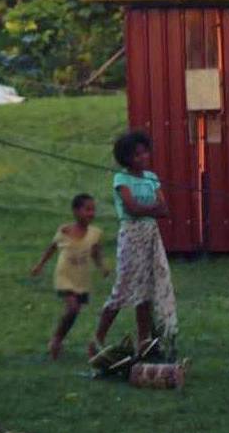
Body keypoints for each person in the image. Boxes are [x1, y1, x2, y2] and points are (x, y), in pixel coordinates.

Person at [90, 129, 176, 360]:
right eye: (136, 154)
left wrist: (146, 209)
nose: (142, 157)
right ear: (126, 157)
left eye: (144, 152)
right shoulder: (121, 179)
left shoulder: (152, 177)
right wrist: (150, 209)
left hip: (151, 235)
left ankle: (144, 342)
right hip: (131, 235)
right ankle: (97, 338)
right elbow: (131, 208)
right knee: (125, 286)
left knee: (146, 289)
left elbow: (165, 209)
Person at [29, 193, 107, 359]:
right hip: (65, 277)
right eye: (87, 209)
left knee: (74, 312)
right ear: (76, 211)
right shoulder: (64, 231)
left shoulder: (95, 233)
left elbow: (96, 252)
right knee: (72, 307)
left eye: (93, 210)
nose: (91, 213)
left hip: (82, 278)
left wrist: (102, 267)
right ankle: (56, 340)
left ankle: (59, 337)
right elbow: (52, 248)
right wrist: (40, 265)